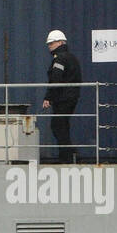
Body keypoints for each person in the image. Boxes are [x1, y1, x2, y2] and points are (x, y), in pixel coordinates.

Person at [40, 30, 82, 164]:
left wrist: (48, 97)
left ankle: (67, 156)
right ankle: (70, 154)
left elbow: (56, 79)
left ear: (60, 42)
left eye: (51, 43)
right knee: (63, 125)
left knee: (58, 125)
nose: (49, 46)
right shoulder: (72, 57)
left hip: (63, 98)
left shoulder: (60, 58)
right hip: (71, 97)